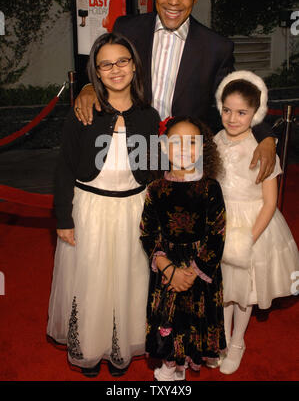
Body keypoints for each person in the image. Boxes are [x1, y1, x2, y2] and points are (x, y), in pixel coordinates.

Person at [74, 0, 276, 185]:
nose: (174, 1)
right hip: (133, 142)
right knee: (131, 213)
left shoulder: (215, 47)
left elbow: (235, 96)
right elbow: (106, 65)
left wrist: (266, 136)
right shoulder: (127, 28)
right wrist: (90, 86)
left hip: (185, 153)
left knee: (180, 218)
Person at [47, 33, 160, 377]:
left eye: (122, 61)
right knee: (92, 282)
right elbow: (65, 167)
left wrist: (156, 218)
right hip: (91, 210)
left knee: (129, 281)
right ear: (95, 72)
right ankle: (90, 350)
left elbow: (152, 172)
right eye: (106, 64)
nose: (115, 69)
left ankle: (118, 347)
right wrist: (64, 219)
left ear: (134, 65)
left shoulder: (148, 116)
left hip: (133, 210)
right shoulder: (84, 112)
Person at [213, 70, 299, 375]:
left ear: (255, 113)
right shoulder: (214, 141)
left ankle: (238, 342)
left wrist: (247, 238)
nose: (232, 118)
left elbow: (271, 202)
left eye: (241, 112)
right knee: (222, 288)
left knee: (245, 291)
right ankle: (222, 340)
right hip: (220, 222)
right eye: (227, 110)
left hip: (253, 226)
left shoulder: (263, 149)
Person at [140, 116, 226, 381]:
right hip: (167, 265)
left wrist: (192, 271)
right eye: (176, 143)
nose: (184, 149)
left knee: (194, 317)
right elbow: (147, 231)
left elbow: (217, 232)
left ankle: (190, 359)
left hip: (199, 267)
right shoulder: (155, 189)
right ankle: (171, 365)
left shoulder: (210, 188)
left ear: (202, 148)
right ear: (164, 147)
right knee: (169, 316)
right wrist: (167, 268)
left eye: (191, 143)